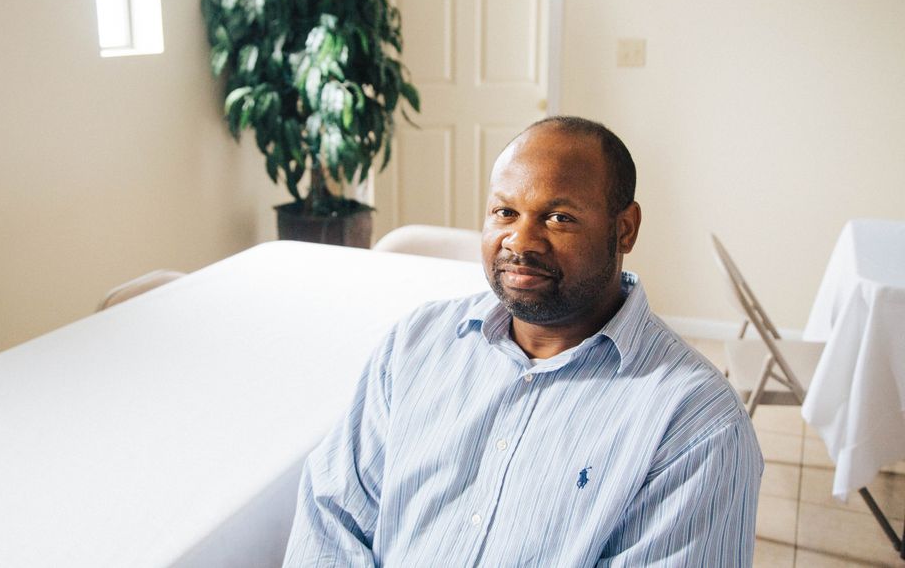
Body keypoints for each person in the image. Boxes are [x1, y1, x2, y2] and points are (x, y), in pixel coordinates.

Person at [284, 117, 761, 566]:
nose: (521, 240)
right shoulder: (415, 345)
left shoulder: (696, 424)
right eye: (505, 211)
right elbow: (332, 514)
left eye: (558, 218)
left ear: (624, 229)